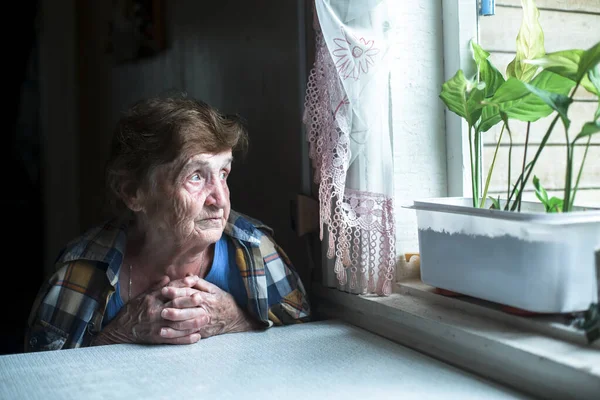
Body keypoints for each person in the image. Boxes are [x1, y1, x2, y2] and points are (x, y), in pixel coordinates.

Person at [25, 94, 311, 352]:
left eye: (223, 173)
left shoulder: (255, 249)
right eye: (196, 176)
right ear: (132, 193)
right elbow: (38, 377)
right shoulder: (84, 268)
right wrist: (118, 334)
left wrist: (238, 320)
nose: (220, 199)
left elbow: (305, 346)